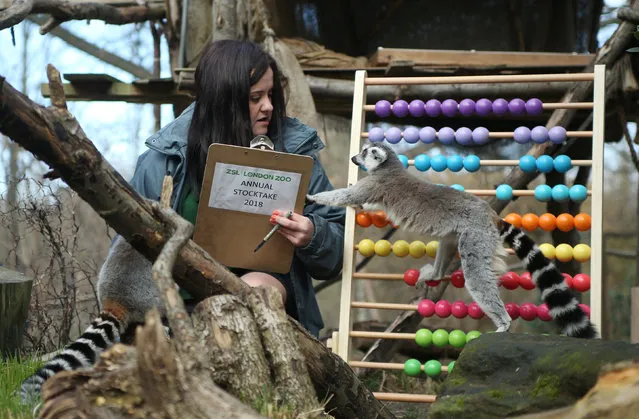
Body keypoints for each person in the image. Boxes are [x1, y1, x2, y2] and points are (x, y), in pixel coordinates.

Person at [121, 39, 345, 337]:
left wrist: (313, 235)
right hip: (178, 303)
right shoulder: (162, 160)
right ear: (223, 101)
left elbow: (336, 250)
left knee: (253, 292)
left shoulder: (296, 151)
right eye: (256, 98)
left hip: (264, 299)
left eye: (271, 94)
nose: (269, 106)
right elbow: (126, 252)